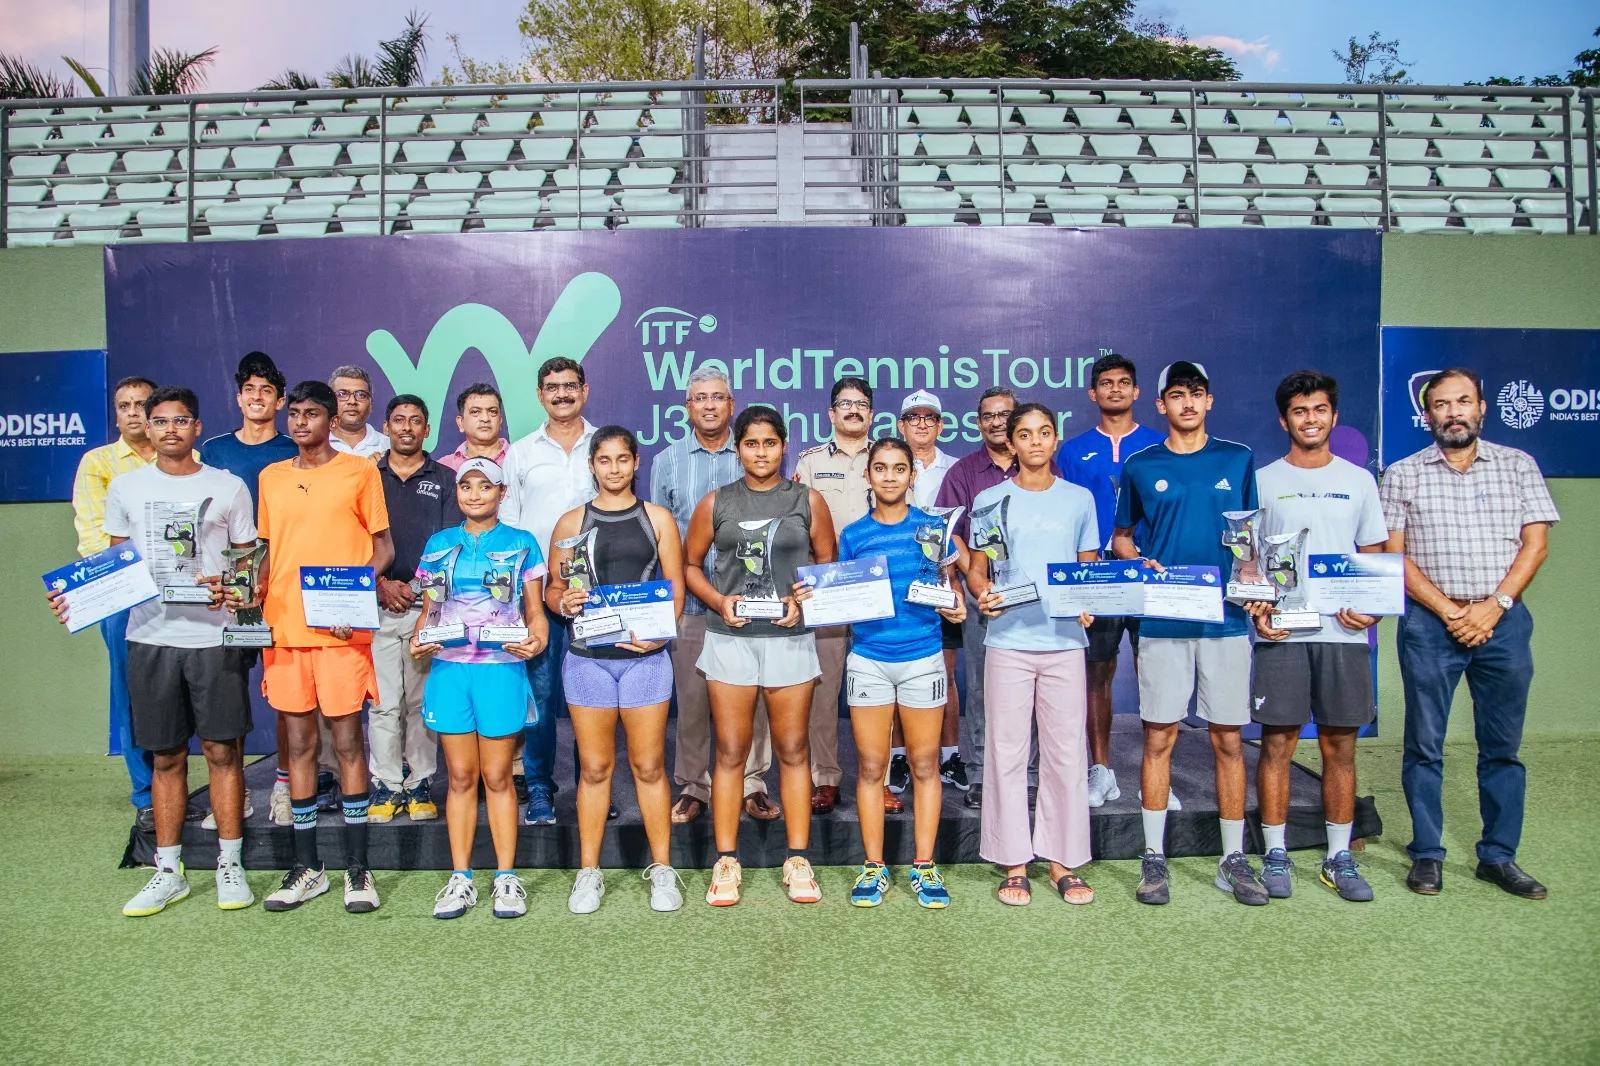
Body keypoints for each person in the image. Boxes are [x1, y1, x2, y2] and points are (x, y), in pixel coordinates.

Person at [50, 387, 258, 914]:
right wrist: (76, 599)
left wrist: (232, 586)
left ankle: (230, 864)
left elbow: (247, 567)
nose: (169, 429)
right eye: (160, 421)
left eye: (180, 420)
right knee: (166, 756)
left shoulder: (228, 486)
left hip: (213, 641)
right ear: (147, 426)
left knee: (222, 753)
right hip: (149, 639)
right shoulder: (125, 487)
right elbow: (113, 567)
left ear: (196, 426)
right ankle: (169, 871)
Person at [1381, 367, 1558, 900]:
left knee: (1502, 747)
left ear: (1482, 407)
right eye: (1441, 404)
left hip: (1503, 622)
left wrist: (1493, 607)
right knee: (1424, 744)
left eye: (1462, 402)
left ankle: (1498, 856)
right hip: (1429, 624)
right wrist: (1450, 611)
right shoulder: (1403, 474)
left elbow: (1535, 546)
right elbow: (1394, 555)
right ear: (1427, 414)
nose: (1453, 413)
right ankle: (1427, 853)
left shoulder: (1519, 466)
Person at [1112, 360, 1267, 907]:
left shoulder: (1237, 458)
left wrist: (1254, 583)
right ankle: (1153, 857)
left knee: (1228, 740)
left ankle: (1233, 857)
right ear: (1161, 404)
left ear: (1209, 400)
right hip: (1162, 618)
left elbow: (1249, 539)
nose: (1187, 403)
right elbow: (1123, 538)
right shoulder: (1140, 464)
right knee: (1159, 738)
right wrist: (1140, 562)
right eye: (1176, 394)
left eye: (1196, 393)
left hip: (1226, 621)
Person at [685, 406, 836, 906]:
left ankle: (798, 859)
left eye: (770, 443)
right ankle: (727, 861)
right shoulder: (717, 502)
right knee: (730, 751)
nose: (761, 452)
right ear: (738, 449)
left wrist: (804, 601)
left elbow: (827, 565)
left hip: (789, 640)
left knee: (793, 750)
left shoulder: (808, 500)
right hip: (730, 639)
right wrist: (718, 601)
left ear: (783, 446)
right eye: (751, 443)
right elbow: (689, 565)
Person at [1247, 371, 1387, 903]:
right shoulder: (1262, 480)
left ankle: (1338, 856)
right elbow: (1248, 560)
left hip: (1343, 635)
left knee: (1339, 746)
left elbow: (1373, 556)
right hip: (1283, 632)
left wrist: (1372, 609)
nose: (1311, 419)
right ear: (1284, 420)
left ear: (1334, 416)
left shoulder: (1359, 481)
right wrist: (1258, 611)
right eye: (1300, 411)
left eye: (1320, 409)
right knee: (1278, 744)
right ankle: (1275, 853)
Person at [256, 381, 395, 913]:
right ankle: (307, 868)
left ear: (332, 420)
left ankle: (358, 869)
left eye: (311, 413)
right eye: (294, 413)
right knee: (298, 748)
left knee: (349, 744)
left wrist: (353, 598)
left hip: (341, 634)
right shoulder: (271, 477)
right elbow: (267, 553)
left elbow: (384, 548)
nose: (300, 422)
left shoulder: (360, 471)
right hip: (286, 632)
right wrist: (248, 592)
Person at [548, 427, 687, 913]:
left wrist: (662, 634)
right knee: (594, 769)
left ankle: (663, 869)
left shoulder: (657, 519)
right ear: (592, 465)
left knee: (648, 767)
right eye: (604, 460)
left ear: (635, 463)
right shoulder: (571, 521)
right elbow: (552, 589)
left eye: (622, 459)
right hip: (588, 661)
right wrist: (562, 601)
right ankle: (589, 873)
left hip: (645, 660)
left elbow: (674, 587)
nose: (613, 468)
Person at [968, 404, 1100, 906]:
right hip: (1007, 643)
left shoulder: (1079, 499)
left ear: (1055, 438)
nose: (1036, 442)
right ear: (1012, 442)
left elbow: (1088, 568)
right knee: (1006, 752)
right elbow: (978, 569)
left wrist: (1089, 602)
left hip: (1065, 644)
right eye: (1025, 434)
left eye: (1044, 432)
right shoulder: (989, 499)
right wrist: (982, 593)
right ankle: (1014, 862)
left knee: (1066, 753)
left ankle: (1063, 860)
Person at [826, 437, 965, 908]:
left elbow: (950, 585)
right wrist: (818, 598)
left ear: (912, 475)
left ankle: (924, 866)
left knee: (925, 765)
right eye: (880, 468)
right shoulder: (854, 534)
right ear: (868, 475)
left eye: (899, 468)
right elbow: (844, 596)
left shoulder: (933, 528)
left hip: (923, 657)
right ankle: (874, 865)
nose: (889, 476)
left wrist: (955, 605)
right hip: (868, 659)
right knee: (871, 767)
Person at [413, 458, 549, 920]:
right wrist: (419, 637)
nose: (475, 495)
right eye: (466, 486)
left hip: (500, 670)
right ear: (457, 492)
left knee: (497, 777)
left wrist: (538, 639)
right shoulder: (438, 543)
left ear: (501, 492)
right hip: (451, 671)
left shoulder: (522, 542)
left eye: (485, 486)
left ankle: (506, 877)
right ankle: (461, 877)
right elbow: (430, 610)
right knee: (460, 778)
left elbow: (535, 613)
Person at [649, 366, 777, 826]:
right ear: (688, 407)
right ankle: (693, 785)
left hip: (750, 602)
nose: (708, 405)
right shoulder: (666, 461)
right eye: (700, 397)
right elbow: (660, 534)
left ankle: (752, 783)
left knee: (753, 698)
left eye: (717, 397)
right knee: (693, 699)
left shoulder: (748, 453)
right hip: (691, 603)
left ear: (731, 404)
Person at [938, 386, 1058, 810]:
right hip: (983, 597)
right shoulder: (964, 473)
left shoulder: (1047, 469)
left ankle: (1030, 775)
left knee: (1035, 691)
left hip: (1038, 600)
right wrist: (977, 580)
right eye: (987, 415)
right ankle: (981, 775)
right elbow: (952, 532)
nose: (995, 421)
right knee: (983, 689)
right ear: (978, 423)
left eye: (1004, 414)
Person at [198, 351, 299, 829]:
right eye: (250, 390)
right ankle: (233, 792)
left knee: (286, 695)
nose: (258, 398)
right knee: (229, 691)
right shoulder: (214, 451)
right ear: (239, 398)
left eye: (267, 391)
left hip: (281, 587)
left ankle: (284, 786)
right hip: (230, 590)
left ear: (280, 401)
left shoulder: (292, 450)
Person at [1061, 353, 1164, 808]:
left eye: (1124, 382)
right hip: (1097, 574)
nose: (1115, 389)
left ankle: (1156, 775)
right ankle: (1100, 771)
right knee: (1096, 673)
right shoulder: (1072, 451)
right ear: (1093, 392)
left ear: (1137, 391)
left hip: (1148, 572)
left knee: (1154, 673)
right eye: (1106, 383)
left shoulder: (1160, 445)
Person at [70, 375, 174, 828]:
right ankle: (145, 793)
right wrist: (145, 572)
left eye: (141, 405)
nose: (133, 412)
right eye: (124, 405)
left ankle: (174, 785)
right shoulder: (99, 463)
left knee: (178, 692)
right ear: (116, 414)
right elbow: (96, 539)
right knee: (131, 691)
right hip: (122, 594)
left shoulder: (186, 459)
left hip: (181, 593)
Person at [501, 357, 598, 825]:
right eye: (552, 387)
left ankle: (592, 787)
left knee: (592, 698)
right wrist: (521, 598)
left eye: (570, 385)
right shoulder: (520, 453)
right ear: (540, 395)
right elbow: (510, 529)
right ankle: (540, 789)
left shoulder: (603, 446)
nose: (562, 394)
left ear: (585, 390)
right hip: (537, 596)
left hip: (595, 598)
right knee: (539, 699)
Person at [370, 394, 460, 824]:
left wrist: (419, 589)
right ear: (385, 427)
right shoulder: (367, 476)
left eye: (416, 421)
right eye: (399, 420)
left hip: (429, 606)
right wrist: (381, 584)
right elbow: (355, 539)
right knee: (384, 704)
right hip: (377, 605)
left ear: (428, 430)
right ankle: (387, 784)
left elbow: (450, 546)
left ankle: (420, 781)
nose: (407, 427)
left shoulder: (445, 478)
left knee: (421, 702)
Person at [791, 377, 872, 814]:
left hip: (879, 590)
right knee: (823, 690)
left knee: (880, 688)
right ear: (831, 413)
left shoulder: (888, 457)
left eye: (861, 404)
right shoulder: (810, 462)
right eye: (845, 403)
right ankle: (825, 777)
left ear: (872, 414)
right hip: (828, 587)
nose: (853, 410)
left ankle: (879, 778)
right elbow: (797, 522)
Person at [891, 389, 967, 798]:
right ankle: (899, 757)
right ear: (900, 425)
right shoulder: (887, 465)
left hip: (941, 583)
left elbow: (962, 535)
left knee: (945, 673)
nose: (921, 424)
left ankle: (950, 755)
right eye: (913, 417)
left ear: (940, 425)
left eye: (929, 417)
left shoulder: (956, 470)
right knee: (895, 672)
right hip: (895, 585)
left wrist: (955, 580)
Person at [438, 382, 510, 473]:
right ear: (461, 423)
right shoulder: (443, 467)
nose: (485, 419)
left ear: (500, 420)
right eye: (475, 412)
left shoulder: (520, 459)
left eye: (492, 411)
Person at [327, 365, 389, 459]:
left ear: (370, 405)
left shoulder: (388, 446)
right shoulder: (315, 445)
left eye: (361, 395)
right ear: (329, 401)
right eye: (342, 394)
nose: (352, 401)